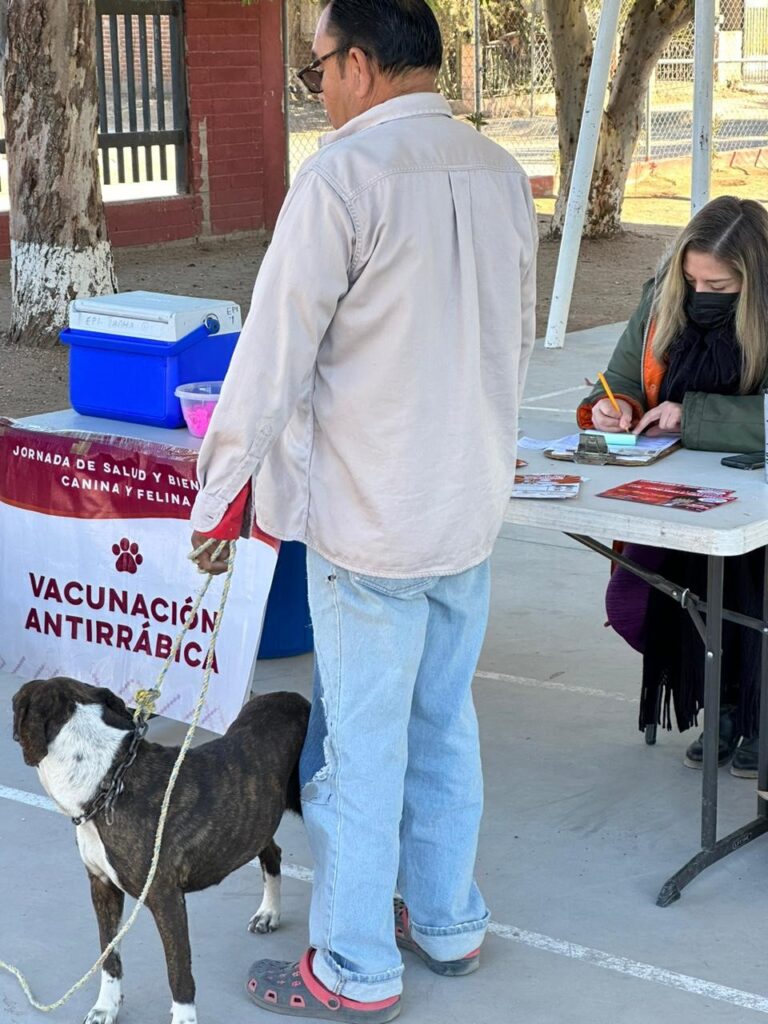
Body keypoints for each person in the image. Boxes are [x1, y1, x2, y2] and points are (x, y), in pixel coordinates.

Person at [188, 1, 538, 1020]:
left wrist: (220, 493)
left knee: (360, 750)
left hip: (372, 519)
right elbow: (513, 346)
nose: (319, 89)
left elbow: (270, 357)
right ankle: (447, 921)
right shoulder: (500, 173)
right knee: (443, 724)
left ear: (363, 65)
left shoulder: (344, 176)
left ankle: (351, 965)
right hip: (464, 508)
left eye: (319, 69)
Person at [577, 195, 768, 779]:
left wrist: (694, 416)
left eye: (719, 284)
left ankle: (762, 715)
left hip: (757, 499)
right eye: (692, 279)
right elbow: (619, 380)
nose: (700, 293)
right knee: (688, 594)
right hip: (684, 496)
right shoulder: (663, 295)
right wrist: (613, 407)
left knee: (753, 587)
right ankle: (727, 705)